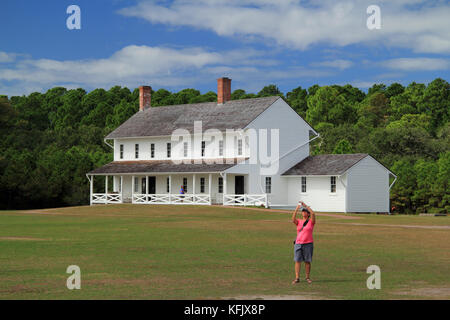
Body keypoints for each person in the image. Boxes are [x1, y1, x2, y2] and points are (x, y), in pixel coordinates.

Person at [291, 201, 316, 284]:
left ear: (308, 214)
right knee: (297, 261)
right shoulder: (299, 222)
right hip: (298, 243)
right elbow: (293, 219)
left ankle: (307, 277)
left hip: (308, 243)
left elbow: (313, 214)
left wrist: (306, 206)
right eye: (303, 211)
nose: (303, 213)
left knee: (307, 261)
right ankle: (297, 278)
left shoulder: (311, 222)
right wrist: (296, 209)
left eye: (305, 212)